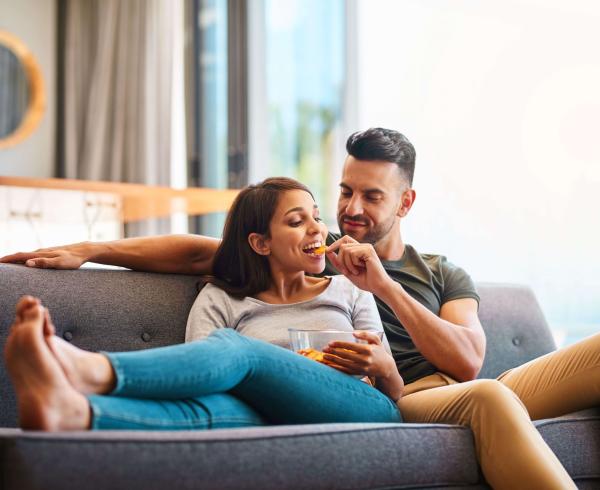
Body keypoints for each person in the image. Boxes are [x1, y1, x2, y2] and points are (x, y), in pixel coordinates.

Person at [3, 128, 598, 489]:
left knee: (528, 381)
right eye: (344, 191)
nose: (349, 209)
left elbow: (470, 362)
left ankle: (85, 382)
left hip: (449, 385)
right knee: (490, 399)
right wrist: (89, 248)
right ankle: (78, 398)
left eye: (371, 196)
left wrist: (383, 284)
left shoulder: (436, 272)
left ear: (406, 202)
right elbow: (202, 252)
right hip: (410, 397)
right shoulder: (314, 259)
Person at [4, 177, 404, 432]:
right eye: (297, 221)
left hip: (361, 408)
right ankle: (75, 414)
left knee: (242, 349)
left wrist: (382, 366)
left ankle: (86, 368)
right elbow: (204, 380)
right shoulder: (220, 298)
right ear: (260, 243)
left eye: (316, 217)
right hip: (269, 414)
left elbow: (395, 395)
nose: (318, 228)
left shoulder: (349, 290)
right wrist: (87, 250)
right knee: (205, 410)